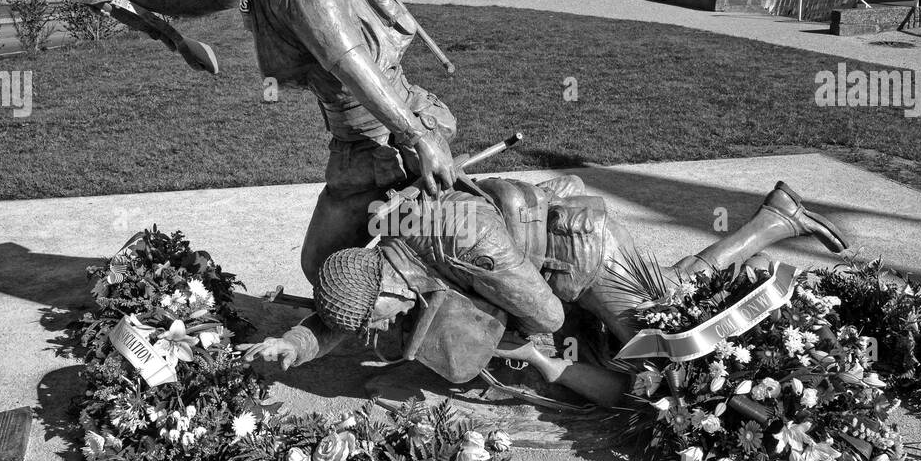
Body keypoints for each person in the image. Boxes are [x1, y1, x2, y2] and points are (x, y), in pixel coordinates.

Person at [65, 0, 458, 282]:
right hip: (358, 142)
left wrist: (418, 138)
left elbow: (353, 65)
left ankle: (417, 308)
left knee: (330, 266)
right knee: (324, 265)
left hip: (385, 144)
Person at [242, 176, 847, 406]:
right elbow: (339, 318)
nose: (384, 328)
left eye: (384, 318)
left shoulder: (460, 235)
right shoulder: (373, 267)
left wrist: (512, 346)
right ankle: (775, 219)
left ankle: (773, 225)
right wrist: (292, 348)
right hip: (541, 263)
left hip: (577, 254)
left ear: (390, 285)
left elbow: (547, 314)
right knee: (664, 300)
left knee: (664, 332)